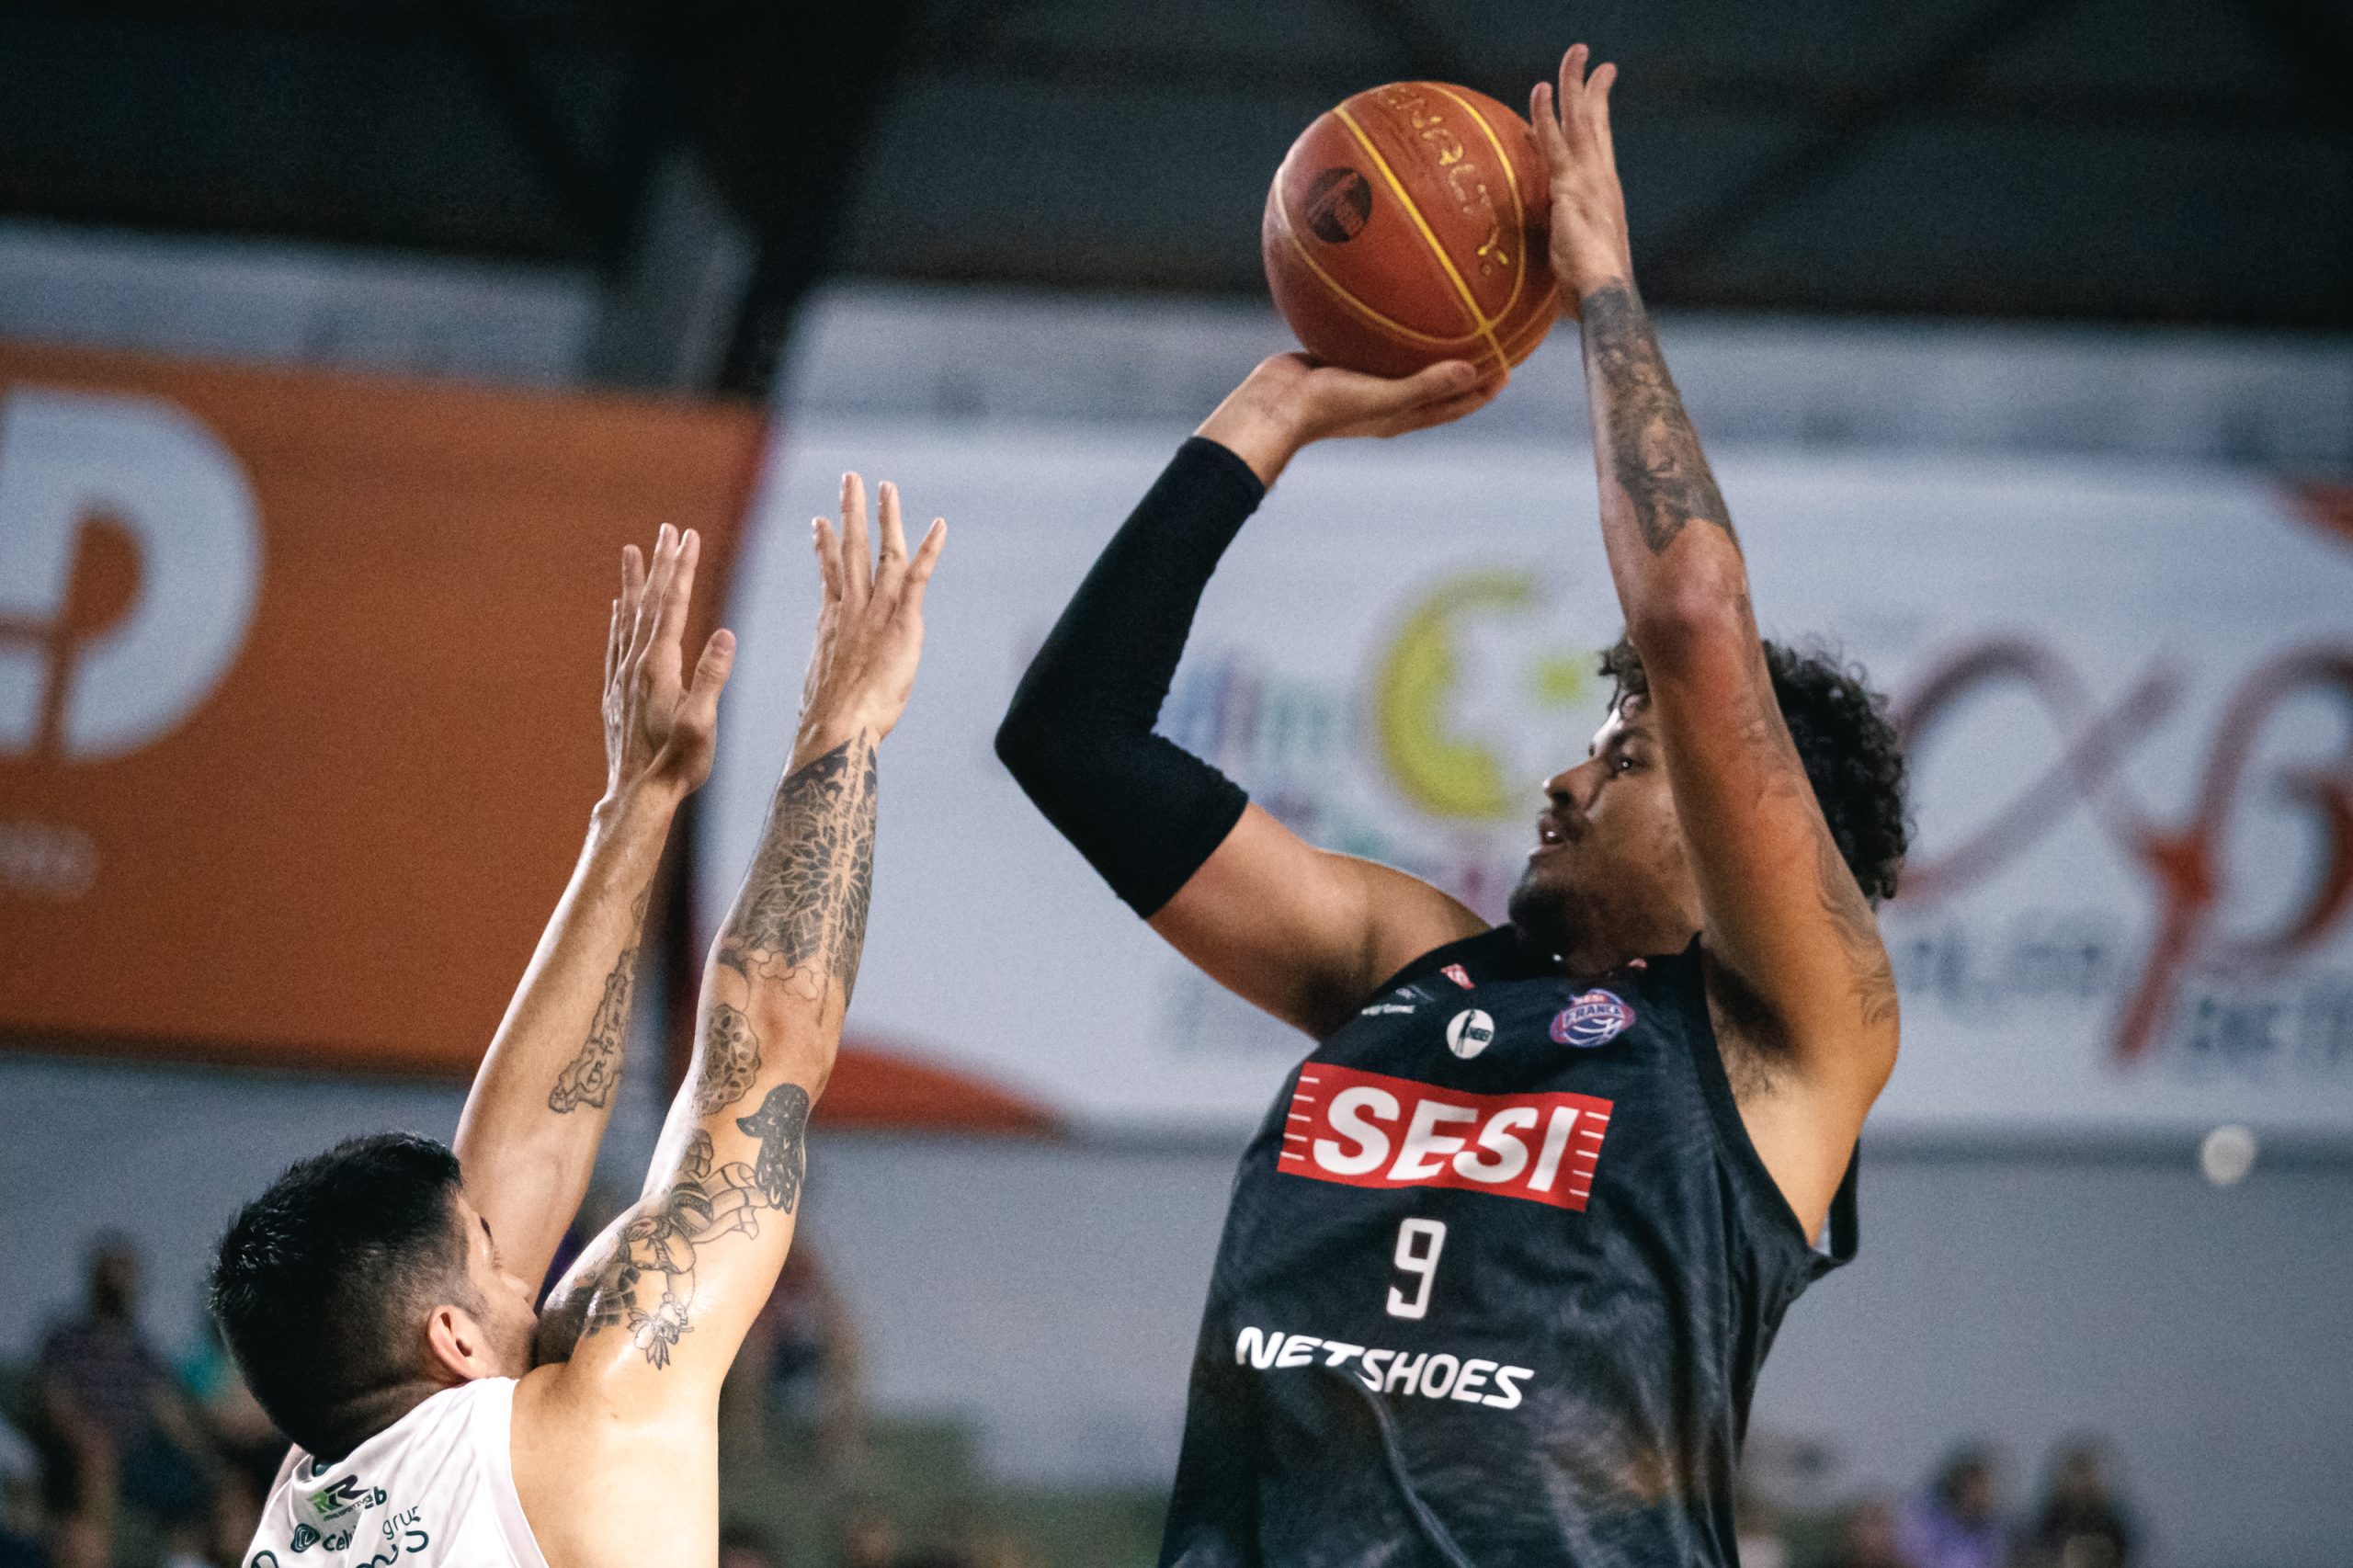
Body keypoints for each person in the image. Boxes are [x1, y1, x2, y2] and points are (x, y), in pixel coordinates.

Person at [995, 43, 1907, 1568]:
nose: (1564, 778)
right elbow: (1072, 741)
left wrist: (1602, 285)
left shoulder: (1797, 1044)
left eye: (1626, 761)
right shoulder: (1412, 968)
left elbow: (1690, 608)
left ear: (1768, 828)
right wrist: (1275, 409)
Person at [209, 483, 945, 1568]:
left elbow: (509, 1165)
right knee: (611, 1280)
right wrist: (846, 725)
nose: (521, 1262)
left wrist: (637, 800)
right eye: (489, 1259)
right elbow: (766, 1058)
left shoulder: (311, 1494)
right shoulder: (587, 1426)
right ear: (450, 1336)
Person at [31, 1237, 221, 1565]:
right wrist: (84, 1437)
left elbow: (168, 1411)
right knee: (98, 1459)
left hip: (138, 1455)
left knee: (208, 1479)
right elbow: (54, 1399)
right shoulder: (66, 1341)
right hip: (84, 1452)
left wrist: (209, 1458)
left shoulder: (142, 1352)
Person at [2019, 1438, 2133, 1568]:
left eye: (2089, 1474)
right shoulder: (2048, 1523)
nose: (2083, 1483)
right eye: (2078, 1474)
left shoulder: (2114, 1527)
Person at [1895, 1447, 2005, 1568]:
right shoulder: (1925, 1521)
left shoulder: (1992, 1531)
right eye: (1975, 1487)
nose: (1983, 1495)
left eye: (1985, 1487)